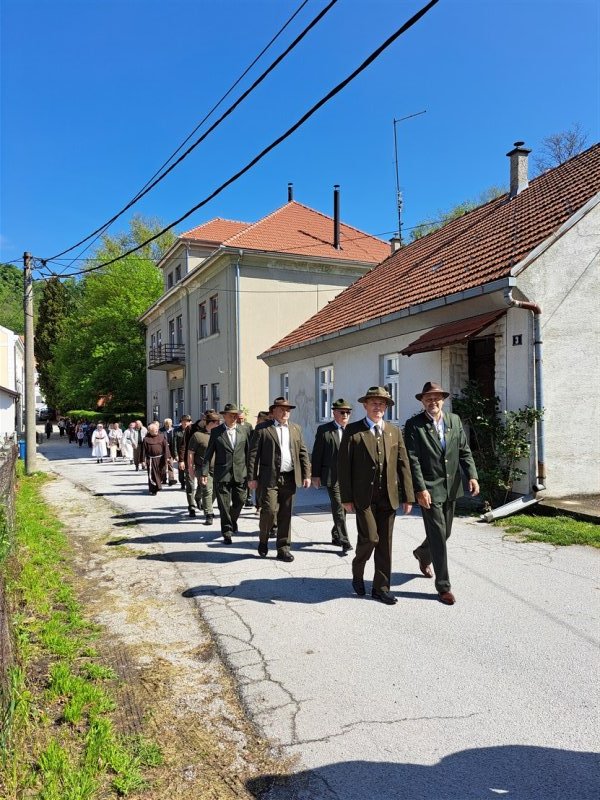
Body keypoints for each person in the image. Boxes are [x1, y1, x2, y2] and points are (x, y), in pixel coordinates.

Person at [404, 381, 480, 606]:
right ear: (422, 401)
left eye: (436, 398)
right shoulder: (414, 425)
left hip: (451, 485)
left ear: (443, 400)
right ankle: (443, 587)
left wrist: (472, 475)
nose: (433, 401)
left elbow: (464, 450)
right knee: (438, 535)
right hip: (429, 488)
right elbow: (413, 460)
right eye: (428, 398)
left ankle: (422, 553)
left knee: (445, 533)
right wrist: (420, 489)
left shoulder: (454, 420)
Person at [338, 386, 414, 605]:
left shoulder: (394, 431)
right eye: (373, 403)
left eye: (382, 403)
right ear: (365, 405)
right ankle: (358, 569)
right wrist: (346, 497)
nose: (377, 406)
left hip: (388, 498)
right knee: (371, 539)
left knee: (385, 545)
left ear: (386, 407)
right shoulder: (353, 431)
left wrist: (408, 496)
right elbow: (344, 466)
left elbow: (403, 464)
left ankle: (381, 588)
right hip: (363, 498)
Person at [248, 396, 311, 562]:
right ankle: (263, 539)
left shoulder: (296, 429)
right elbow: (253, 455)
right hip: (269, 478)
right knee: (269, 511)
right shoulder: (263, 429)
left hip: (289, 477)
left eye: (288, 410)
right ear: (273, 411)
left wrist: (307, 474)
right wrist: (252, 477)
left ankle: (283, 548)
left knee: (286, 513)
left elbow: (303, 452)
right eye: (282, 409)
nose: (285, 412)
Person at [202, 403, 250, 544]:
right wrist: (204, 473)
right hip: (222, 474)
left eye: (235, 415)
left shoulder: (244, 430)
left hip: (240, 473)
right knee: (223, 505)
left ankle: (232, 520)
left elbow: (249, 453)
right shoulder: (216, 432)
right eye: (231, 415)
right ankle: (227, 532)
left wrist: (252, 473)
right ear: (224, 416)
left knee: (240, 500)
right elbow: (208, 453)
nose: (234, 417)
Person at [311, 398, 354, 554]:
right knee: (338, 506)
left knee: (344, 507)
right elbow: (317, 453)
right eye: (342, 412)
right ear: (334, 413)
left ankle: (336, 534)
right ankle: (344, 541)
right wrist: (315, 475)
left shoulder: (353, 430)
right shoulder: (324, 430)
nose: (345, 415)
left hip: (349, 477)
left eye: (348, 412)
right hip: (332, 476)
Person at [188, 413, 221, 522]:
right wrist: (190, 469)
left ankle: (199, 499)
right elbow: (191, 453)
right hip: (202, 468)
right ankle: (209, 514)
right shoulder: (198, 435)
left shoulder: (220, 434)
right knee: (207, 490)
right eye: (217, 422)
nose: (219, 424)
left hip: (218, 468)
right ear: (211, 423)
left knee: (215, 491)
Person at [142, 421, 169, 495]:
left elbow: (166, 448)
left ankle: (158, 485)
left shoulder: (162, 437)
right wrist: (143, 460)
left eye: (157, 430)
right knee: (152, 474)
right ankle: (153, 489)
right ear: (150, 431)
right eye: (154, 431)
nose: (156, 432)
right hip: (151, 459)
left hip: (161, 459)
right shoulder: (146, 439)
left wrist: (167, 457)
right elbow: (143, 450)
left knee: (162, 472)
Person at [237, 409, 255, 507]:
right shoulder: (235, 426)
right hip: (238, 455)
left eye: (242, 418)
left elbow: (252, 439)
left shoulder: (248, 426)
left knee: (249, 475)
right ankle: (241, 496)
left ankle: (249, 497)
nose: (241, 420)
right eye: (239, 418)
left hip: (248, 453)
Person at [174, 415, 192, 492]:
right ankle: (182, 483)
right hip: (180, 453)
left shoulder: (192, 431)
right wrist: (175, 454)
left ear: (190, 422)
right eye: (183, 421)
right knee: (181, 469)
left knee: (189, 469)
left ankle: (189, 484)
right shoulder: (177, 431)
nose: (185, 423)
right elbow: (174, 443)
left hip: (190, 453)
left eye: (187, 421)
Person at [160, 418, 178, 486]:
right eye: (166, 424)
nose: (168, 425)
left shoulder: (174, 430)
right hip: (163, 450)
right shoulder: (161, 431)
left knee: (170, 465)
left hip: (171, 450)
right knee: (163, 465)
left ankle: (171, 479)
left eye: (169, 424)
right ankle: (163, 479)